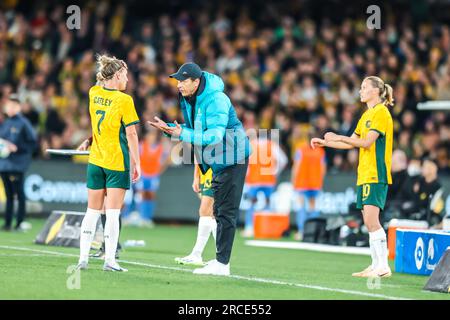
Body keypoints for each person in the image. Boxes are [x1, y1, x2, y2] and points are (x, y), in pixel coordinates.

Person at [150, 62, 251, 276]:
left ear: (196, 82)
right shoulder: (189, 98)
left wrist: (182, 134)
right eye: (177, 80)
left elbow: (214, 135)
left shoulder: (216, 99)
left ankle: (222, 265)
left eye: (183, 80)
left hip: (233, 156)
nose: (178, 85)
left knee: (225, 212)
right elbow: (195, 131)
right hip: (217, 158)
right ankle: (218, 261)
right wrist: (171, 130)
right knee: (218, 211)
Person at [311, 76, 394, 278]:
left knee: (373, 220)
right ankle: (376, 264)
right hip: (365, 174)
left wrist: (338, 136)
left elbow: (366, 143)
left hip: (376, 173)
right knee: (368, 221)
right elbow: (352, 142)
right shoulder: (367, 114)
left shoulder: (381, 112)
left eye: (364, 87)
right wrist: (326, 143)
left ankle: (383, 266)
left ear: (376, 91)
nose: (360, 90)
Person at [76, 54, 140, 272]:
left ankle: (82, 259)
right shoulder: (125, 100)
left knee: (91, 211)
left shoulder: (93, 93)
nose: (128, 80)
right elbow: (131, 134)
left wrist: (89, 140)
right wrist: (137, 163)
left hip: (96, 161)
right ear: (118, 74)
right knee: (112, 213)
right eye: (126, 75)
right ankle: (109, 261)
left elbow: (97, 124)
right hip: (116, 162)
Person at [0, 95, 37, 231]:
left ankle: (20, 221)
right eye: (7, 105)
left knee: (19, 193)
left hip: (17, 164)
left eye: (12, 106)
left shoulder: (23, 123)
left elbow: (32, 142)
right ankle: (8, 222)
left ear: (18, 107)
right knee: (9, 194)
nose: (9, 108)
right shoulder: (6, 123)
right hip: (4, 164)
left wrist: (17, 148)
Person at [242, 129, 287, 237]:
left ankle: (249, 227)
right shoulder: (272, 145)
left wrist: (246, 175)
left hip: (254, 180)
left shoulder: (251, 145)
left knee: (252, 203)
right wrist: (275, 172)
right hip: (268, 180)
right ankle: (266, 227)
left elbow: (245, 162)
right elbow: (283, 160)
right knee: (267, 203)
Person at [122, 128, 170, 227]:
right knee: (139, 195)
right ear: (146, 137)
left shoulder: (160, 147)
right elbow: (132, 156)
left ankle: (147, 218)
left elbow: (167, 158)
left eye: (153, 136)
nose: (151, 138)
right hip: (142, 175)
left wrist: (159, 170)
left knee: (150, 196)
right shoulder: (141, 146)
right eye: (150, 136)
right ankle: (136, 216)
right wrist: (133, 170)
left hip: (153, 175)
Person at [174, 165, 216, 266]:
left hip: (216, 168)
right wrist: (196, 176)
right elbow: (198, 153)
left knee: (207, 211)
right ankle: (219, 258)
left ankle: (198, 254)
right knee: (211, 212)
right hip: (207, 170)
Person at [291, 129, 326, 240]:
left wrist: (293, 180)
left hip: (302, 182)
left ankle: (301, 231)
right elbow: (323, 169)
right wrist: (320, 181)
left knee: (301, 206)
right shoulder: (320, 151)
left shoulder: (300, 150)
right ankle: (313, 231)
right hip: (315, 183)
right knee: (313, 206)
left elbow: (296, 166)